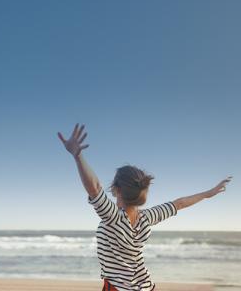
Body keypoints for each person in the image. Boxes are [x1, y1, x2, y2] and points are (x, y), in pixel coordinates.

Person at [58, 124, 231, 291]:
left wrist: (77, 156)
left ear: (117, 189)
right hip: (146, 286)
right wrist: (208, 193)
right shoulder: (147, 217)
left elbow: (94, 188)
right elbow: (179, 204)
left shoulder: (113, 217)